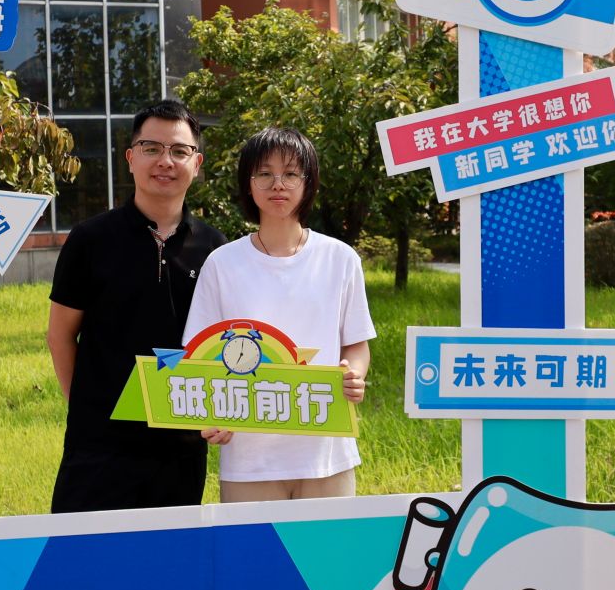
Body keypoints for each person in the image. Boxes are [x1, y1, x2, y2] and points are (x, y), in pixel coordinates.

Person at [47, 99, 226, 513]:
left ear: (196, 163)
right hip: (98, 446)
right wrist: (87, 409)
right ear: (131, 158)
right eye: (152, 148)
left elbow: (221, 345)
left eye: (179, 151)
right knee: (85, 550)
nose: (165, 161)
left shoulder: (216, 249)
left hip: (181, 445)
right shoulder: (90, 240)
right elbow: (60, 336)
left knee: (170, 552)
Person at [185, 127, 372, 501]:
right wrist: (211, 415)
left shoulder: (340, 259)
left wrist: (353, 374)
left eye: (290, 173)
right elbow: (198, 355)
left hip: (326, 454)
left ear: (308, 181)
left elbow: (356, 345)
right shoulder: (222, 264)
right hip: (249, 458)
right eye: (264, 173)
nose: (278, 184)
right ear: (248, 183)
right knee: (253, 544)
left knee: (326, 543)